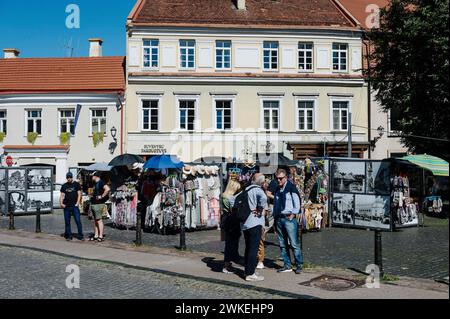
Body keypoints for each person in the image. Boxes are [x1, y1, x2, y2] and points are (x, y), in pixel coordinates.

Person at [232, 173, 268, 282]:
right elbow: (264, 198)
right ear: (261, 182)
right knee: (253, 248)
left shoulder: (246, 189)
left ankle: (248, 270)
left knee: (248, 248)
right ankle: (250, 274)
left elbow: (231, 200)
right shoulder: (258, 190)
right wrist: (260, 208)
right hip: (255, 222)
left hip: (245, 223)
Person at [273, 168, 303, 274]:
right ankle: (287, 265)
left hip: (288, 219)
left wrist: (293, 214)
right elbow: (276, 204)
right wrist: (275, 217)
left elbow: (297, 202)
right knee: (282, 243)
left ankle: (299, 264)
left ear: (285, 178)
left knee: (294, 243)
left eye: (280, 178)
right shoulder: (277, 189)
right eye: (277, 179)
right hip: (279, 218)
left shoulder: (291, 188)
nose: (278, 181)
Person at [220, 179, 242, 274]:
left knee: (230, 243)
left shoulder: (223, 196)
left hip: (226, 219)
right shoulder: (229, 198)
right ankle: (226, 265)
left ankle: (229, 262)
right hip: (230, 220)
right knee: (230, 244)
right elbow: (231, 210)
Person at [60, 172, 84, 241]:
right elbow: (62, 195)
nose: (69, 179)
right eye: (68, 177)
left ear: (72, 177)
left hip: (74, 206)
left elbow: (79, 194)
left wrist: (77, 203)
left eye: (70, 177)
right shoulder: (64, 186)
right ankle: (69, 235)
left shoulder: (76, 184)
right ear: (66, 178)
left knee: (78, 221)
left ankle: (80, 235)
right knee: (67, 222)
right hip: (66, 206)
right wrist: (61, 203)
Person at [90, 172, 110, 242]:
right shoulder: (95, 183)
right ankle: (96, 235)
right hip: (94, 203)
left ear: (96, 176)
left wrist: (101, 196)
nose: (91, 177)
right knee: (95, 220)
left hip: (99, 204)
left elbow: (107, 189)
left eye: (92, 176)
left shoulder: (101, 182)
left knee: (99, 220)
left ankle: (100, 236)